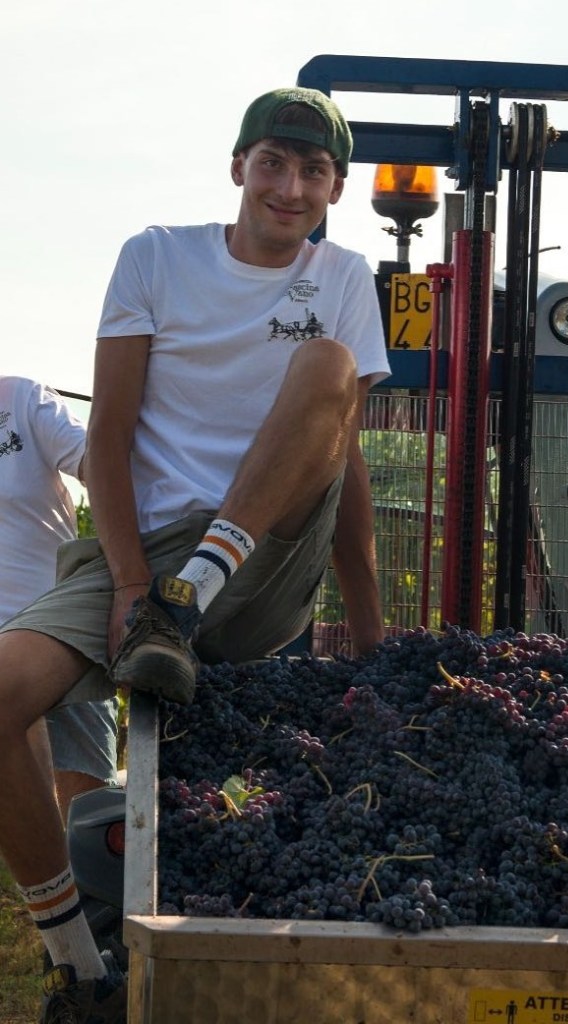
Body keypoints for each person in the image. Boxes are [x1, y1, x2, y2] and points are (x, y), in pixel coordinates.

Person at [0, 86, 390, 1023]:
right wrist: (132, 583)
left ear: (332, 189)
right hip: (144, 546)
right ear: (237, 168)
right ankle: (77, 960)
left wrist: (374, 630)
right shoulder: (154, 258)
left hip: (263, 551)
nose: (289, 187)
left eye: (312, 172)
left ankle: (191, 595)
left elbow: (344, 452)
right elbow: (112, 436)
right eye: (272, 164)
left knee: (329, 367)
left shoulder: (342, 276)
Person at [0, 376, 119, 824]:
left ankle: (94, 890)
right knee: (27, 828)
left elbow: (102, 465)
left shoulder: (21, 398)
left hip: (60, 630)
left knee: (92, 821)